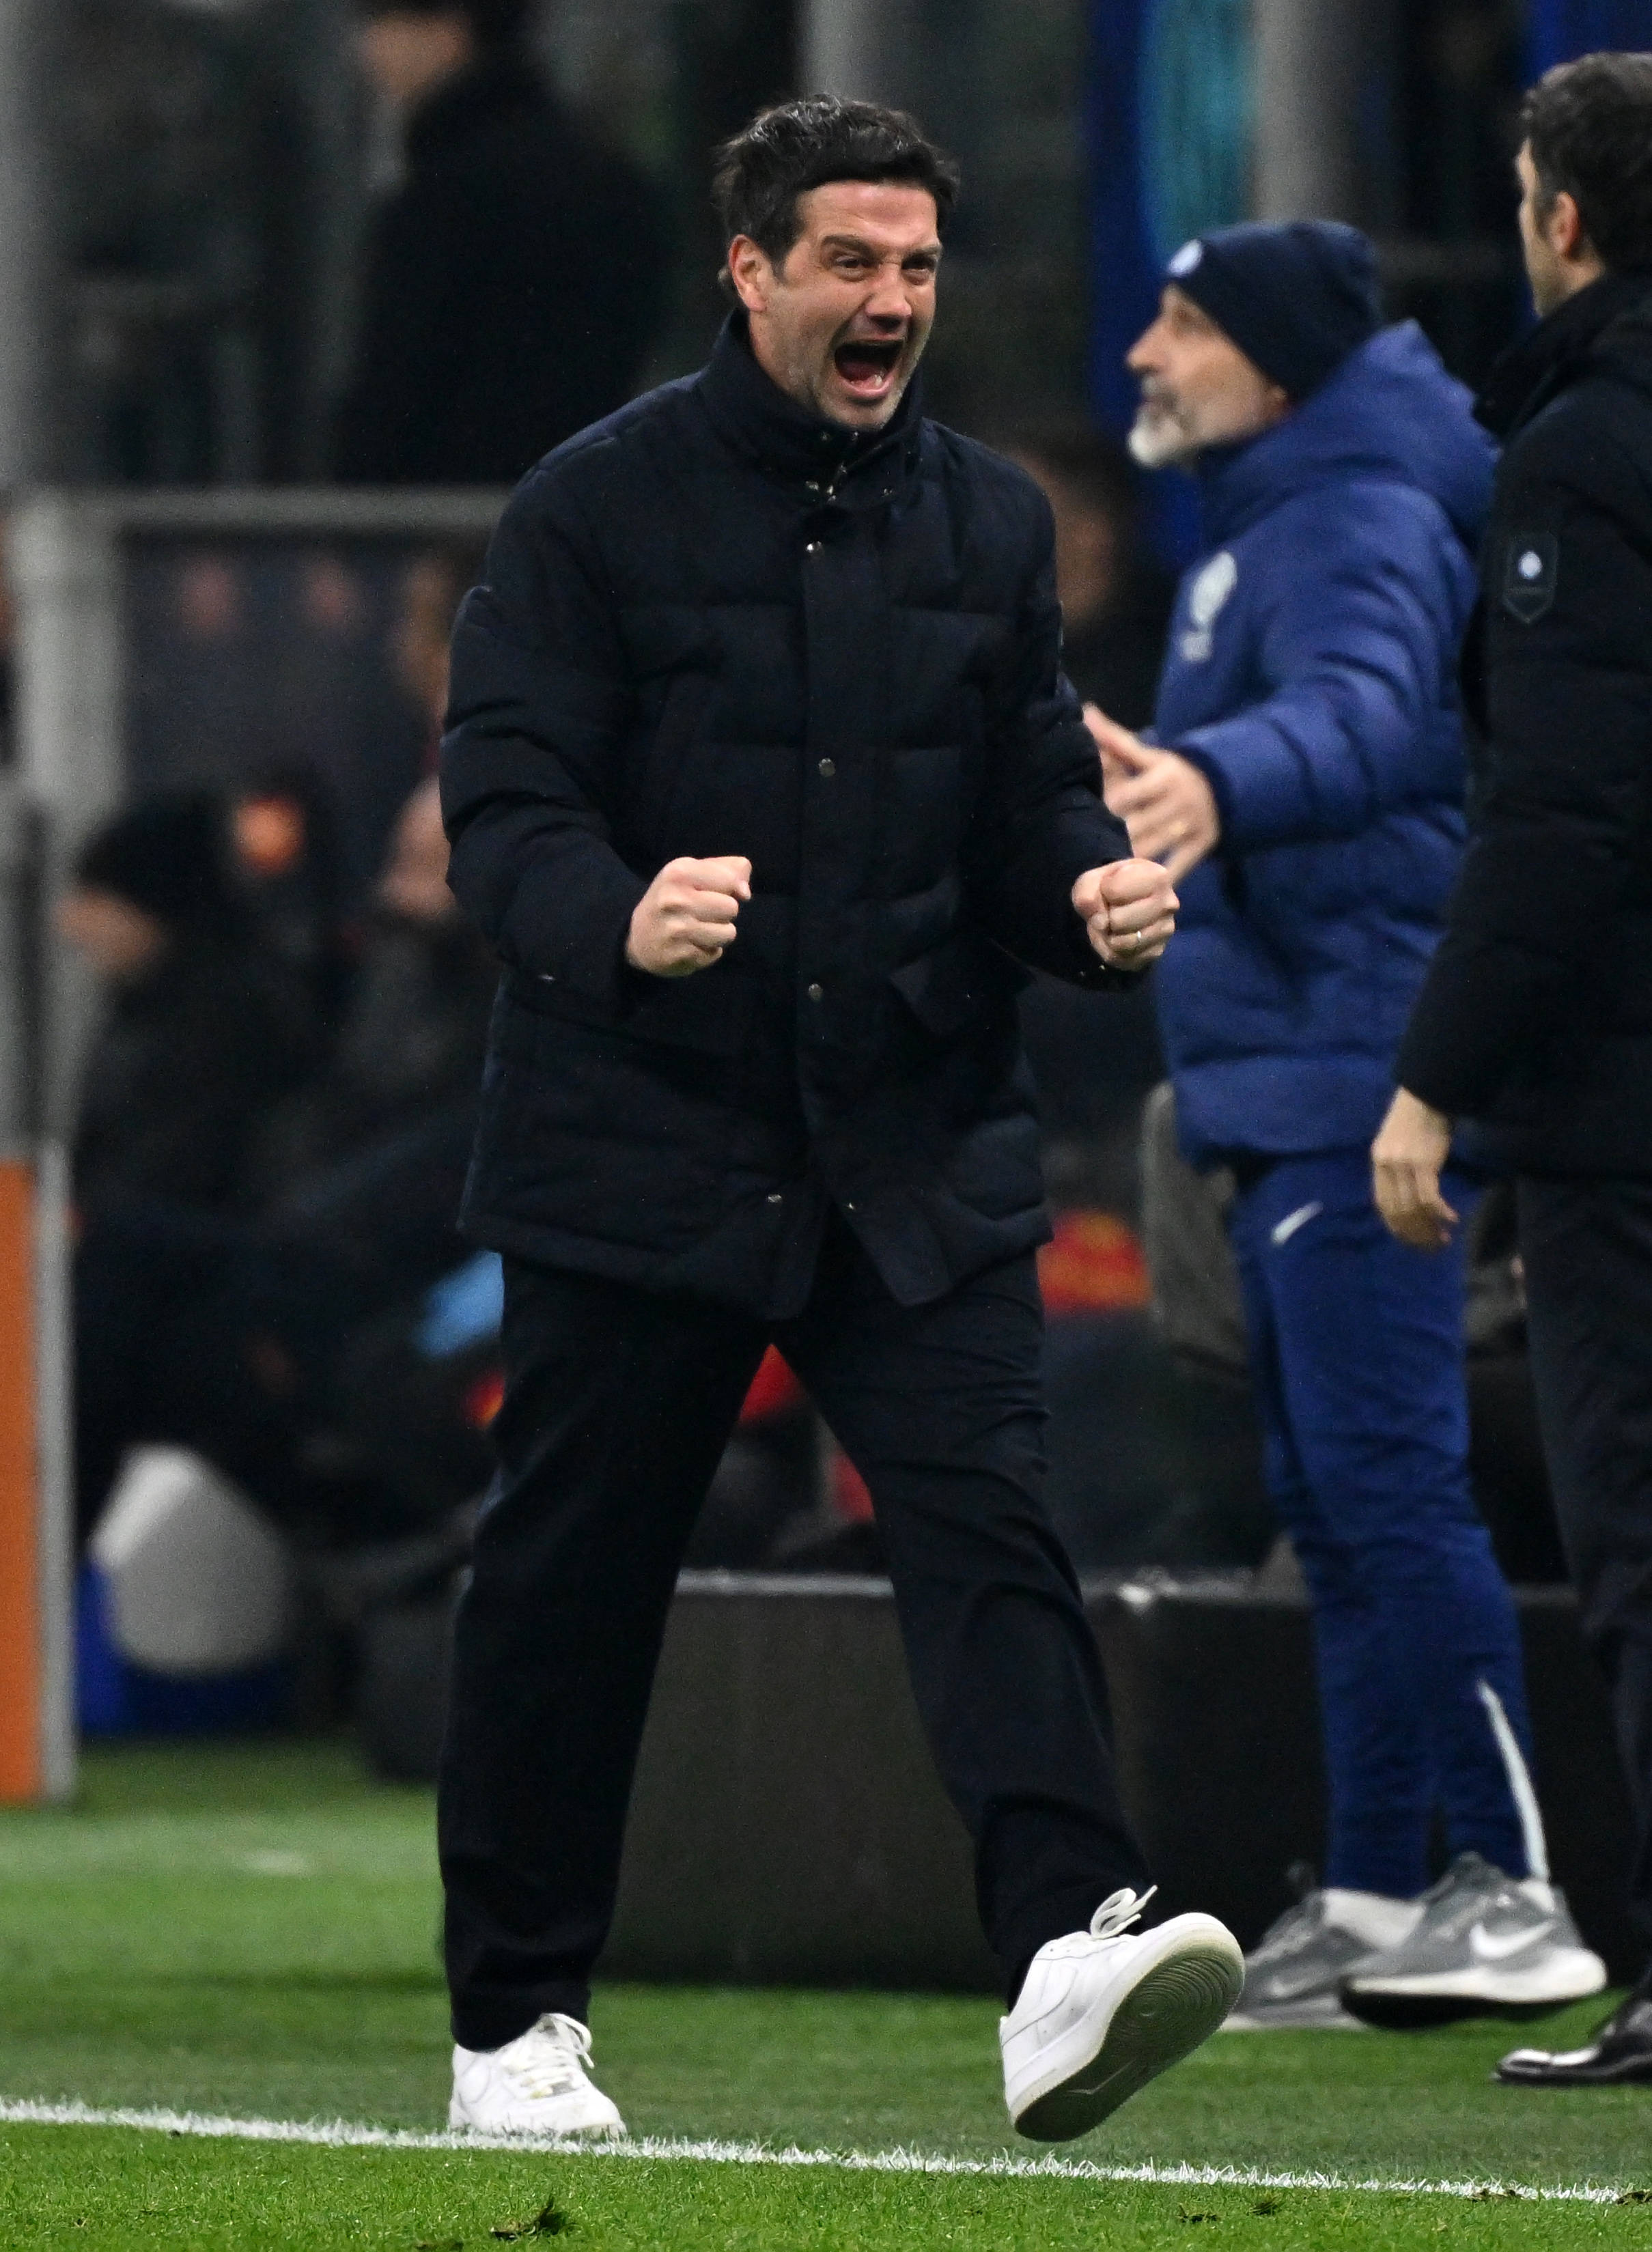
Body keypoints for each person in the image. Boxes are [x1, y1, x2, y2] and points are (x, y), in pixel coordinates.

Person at [436, 93, 1242, 2144]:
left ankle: (1065, 1945)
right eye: (851, 264)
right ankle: (514, 2023)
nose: (892, 300)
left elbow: (1023, 806)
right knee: (569, 1586)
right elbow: (503, 807)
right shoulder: (588, 508)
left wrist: (1085, 898)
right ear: (751, 272)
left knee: (990, 1531)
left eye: (916, 266)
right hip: (644, 1134)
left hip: (907, 1133)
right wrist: (620, 917)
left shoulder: (987, 522)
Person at [1096, 221, 1606, 2031]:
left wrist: (1213, 778)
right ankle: (1386, 1888)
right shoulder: (1283, 507)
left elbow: (1371, 717)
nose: (1145, 352)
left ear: (1274, 363)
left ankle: (1515, 1886)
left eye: (1182, 323)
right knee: (1334, 1495)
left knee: (1388, 1487)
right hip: (1291, 1067)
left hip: (1354, 1069)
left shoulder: (1353, 512)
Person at [1374, 51, 1652, 2085]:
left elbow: (1562, 807)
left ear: (1557, 215)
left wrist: (1430, 1076)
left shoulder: (1577, 451)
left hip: (1622, 1105)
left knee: (1635, 1527)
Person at [333, 0, 668, 486]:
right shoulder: (612, 184)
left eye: (386, 21)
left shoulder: (441, 199)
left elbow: (393, 398)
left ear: (448, 31)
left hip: (440, 514)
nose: (369, 51)